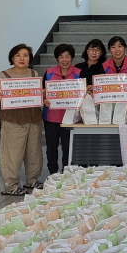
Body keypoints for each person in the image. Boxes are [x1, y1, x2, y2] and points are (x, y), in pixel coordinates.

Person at [0, 44, 43, 196]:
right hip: (13, 119)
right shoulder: (3, 76)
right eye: (18, 55)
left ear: (29, 58)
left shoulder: (33, 73)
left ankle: (32, 180)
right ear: (12, 58)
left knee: (34, 151)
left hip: (33, 118)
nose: (21, 58)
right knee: (12, 153)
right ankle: (11, 185)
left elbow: (36, 95)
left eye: (25, 55)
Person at [42, 43, 81, 175]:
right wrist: (44, 98)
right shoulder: (49, 72)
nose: (64, 60)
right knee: (51, 147)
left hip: (70, 117)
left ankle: (66, 173)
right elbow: (42, 92)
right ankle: (53, 173)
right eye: (61, 57)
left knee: (68, 147)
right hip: (51, 116)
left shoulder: (78, 73)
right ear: (57, 58)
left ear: (72, 58)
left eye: (67, 56)